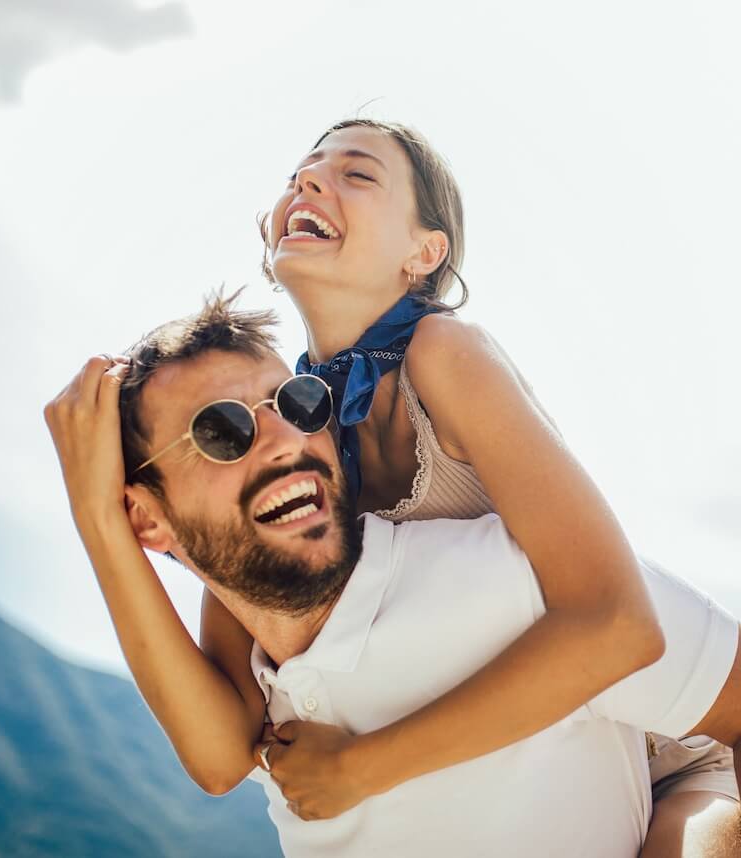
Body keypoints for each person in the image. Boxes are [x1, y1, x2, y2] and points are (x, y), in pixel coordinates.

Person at [203, 119, 740, 854]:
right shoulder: (284, 427)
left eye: (357, 174)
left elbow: (621, 624)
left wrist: (360, 769)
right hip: (530, 774)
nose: (307, 181)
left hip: (666, 745)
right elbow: (223, 731)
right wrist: (107, 517)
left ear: (425, 254)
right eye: (299, 171)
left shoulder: (444, 353)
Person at [44, 296, 741, 857]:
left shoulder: (517, 585)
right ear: (148, 519)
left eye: (297, 403)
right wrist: (100, 522)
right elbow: (217, 764)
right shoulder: (248, 696)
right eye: (221, 431)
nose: (287, 437)